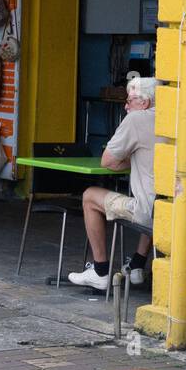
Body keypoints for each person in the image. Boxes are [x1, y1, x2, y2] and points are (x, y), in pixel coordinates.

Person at [67, 76, 156, 292]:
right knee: (154, 198)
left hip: (146, 213)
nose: (125, 106)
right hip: (169, 210)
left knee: (89, 196)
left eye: (130, 101)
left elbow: (107, 161)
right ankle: (136, 264)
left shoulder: (137, 119)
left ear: (144, 104)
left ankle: (100, 271)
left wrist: (127, 160)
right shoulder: (174, 118)